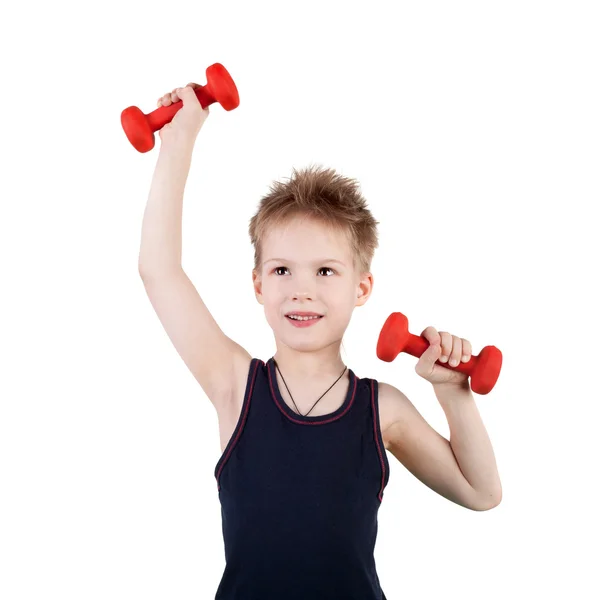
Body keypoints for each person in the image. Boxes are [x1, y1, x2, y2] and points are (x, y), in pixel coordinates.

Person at [138, 84, 503, 600]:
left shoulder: (381, 409)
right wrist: (178, 144)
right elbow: (159, 270)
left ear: (362, 288)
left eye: (326, 270)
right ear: (259, 285)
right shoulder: (236, 386)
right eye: (282, 269)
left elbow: (481, 492)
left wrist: (452, 393)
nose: (301, 290)